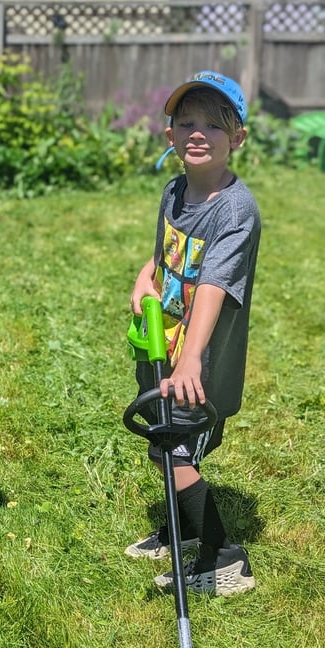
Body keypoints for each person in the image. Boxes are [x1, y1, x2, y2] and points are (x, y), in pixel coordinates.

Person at [126, 71, 261, 596]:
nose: (198, 133)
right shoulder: (175, 191)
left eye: (214, 125)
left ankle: (224, 558)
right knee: (167, 439)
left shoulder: (235, 211)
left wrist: (190, 361)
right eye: (186, 123)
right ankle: (179, 530)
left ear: (237, 138)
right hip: (163, 345)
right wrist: (145, 277)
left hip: (198, 364)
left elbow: (213, 287)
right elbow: (164, 256)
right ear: (170, 136)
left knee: (173, 450)